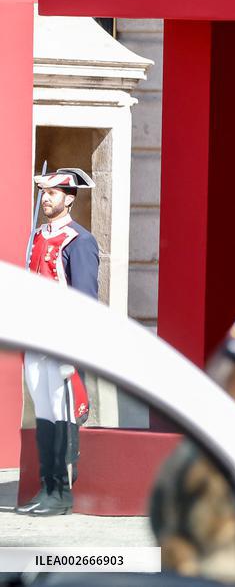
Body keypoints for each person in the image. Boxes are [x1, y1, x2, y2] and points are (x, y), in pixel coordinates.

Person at [16, 168, 99, 516]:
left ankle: (62, 492)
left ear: (69, 198)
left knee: (62, 414)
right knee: (44, 416)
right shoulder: (37, 236)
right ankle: (47, 487)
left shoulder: (79, 241)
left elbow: (85, 300)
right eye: (44, 193)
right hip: (35, 339)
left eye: (53, 193)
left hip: (61, 342)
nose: (46, 198)